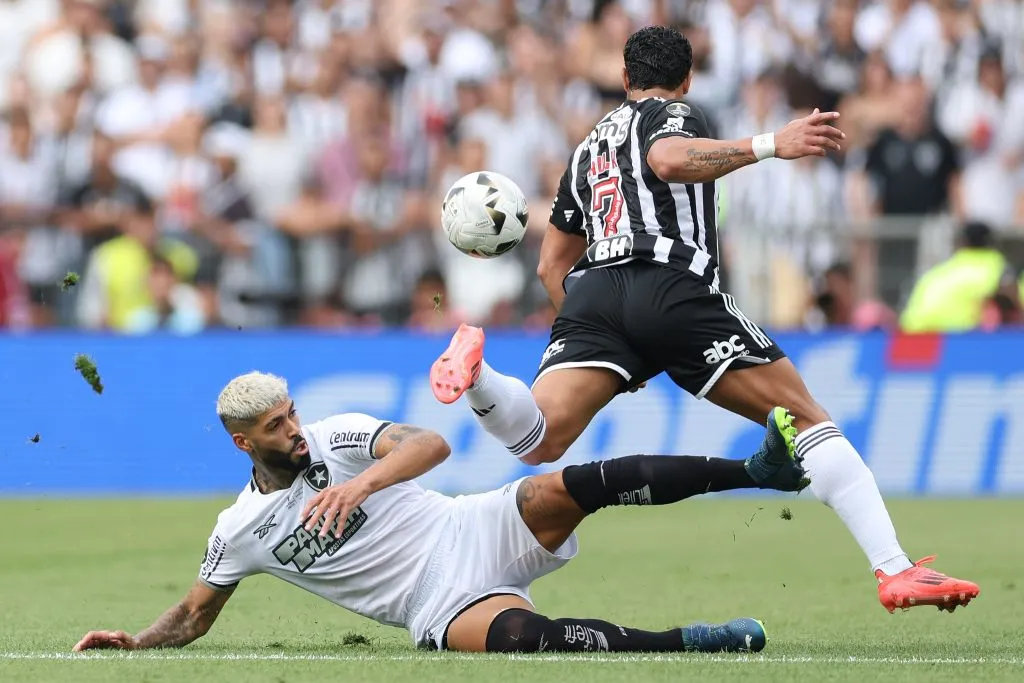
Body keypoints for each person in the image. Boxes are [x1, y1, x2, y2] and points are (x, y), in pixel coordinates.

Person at [429, 25, 979, 614]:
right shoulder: (673, 115)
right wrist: (770, 144)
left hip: (595, 294)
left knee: (538, 438)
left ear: (623, 79)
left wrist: (613, 341)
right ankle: (895, 570)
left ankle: (480, 376)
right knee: (802, 415)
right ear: (685, 80)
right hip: (670, 284)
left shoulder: (589, 145)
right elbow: (666, 160)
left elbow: (549, 266)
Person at [73, 371, 808, 654]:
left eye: (292, 412)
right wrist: (137, 642)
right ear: (243, 442)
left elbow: (429, 443)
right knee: (527, 639)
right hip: (436, 600)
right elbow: (197, 613)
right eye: (275, 427)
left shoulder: (336, 440)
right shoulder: (238, 531)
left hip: (468, 524)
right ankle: (694, 641)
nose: (294, 429)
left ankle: (757, 469)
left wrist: (359, 485)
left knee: (573, 483)